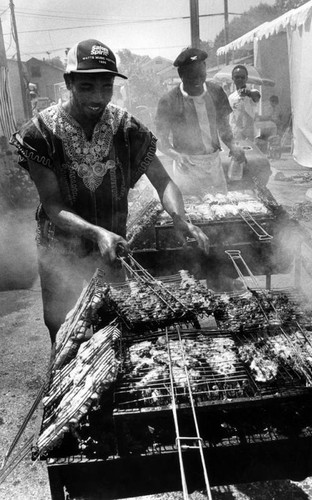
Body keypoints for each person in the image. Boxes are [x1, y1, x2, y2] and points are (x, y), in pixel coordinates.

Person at [10, 39, 209, 343]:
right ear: (68, 82)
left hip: (112, 248)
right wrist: (97, 233)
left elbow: (163, 180)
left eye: (106, 87)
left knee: (114, 326)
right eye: (86, 87)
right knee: (64, 329)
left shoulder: (125, 128)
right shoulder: (41, 133)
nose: (98, 97)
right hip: (61, 250)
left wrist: (179, 218)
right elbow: (53, 205)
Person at [155, 47, 245, 194]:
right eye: (192, 76)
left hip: (213, 164)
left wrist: (233, 146)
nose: (198, 81)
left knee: (220, 208)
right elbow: (161, 141)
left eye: (201, 75)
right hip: (186, 166)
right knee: (191, 211)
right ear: (181, 75)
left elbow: (224, 128)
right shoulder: (169, 101)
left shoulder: (216, 91)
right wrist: (176, 155)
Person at [228, 65, 261, 141]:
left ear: (246, 78)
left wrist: (248, 93)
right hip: (236, 134)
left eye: (242, 77)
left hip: (250, 135)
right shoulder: (231, 97)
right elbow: (231, 117)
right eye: (237, 77)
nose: (240, 79)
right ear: (232, 78)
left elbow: (256, 96)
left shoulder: (253, 92)